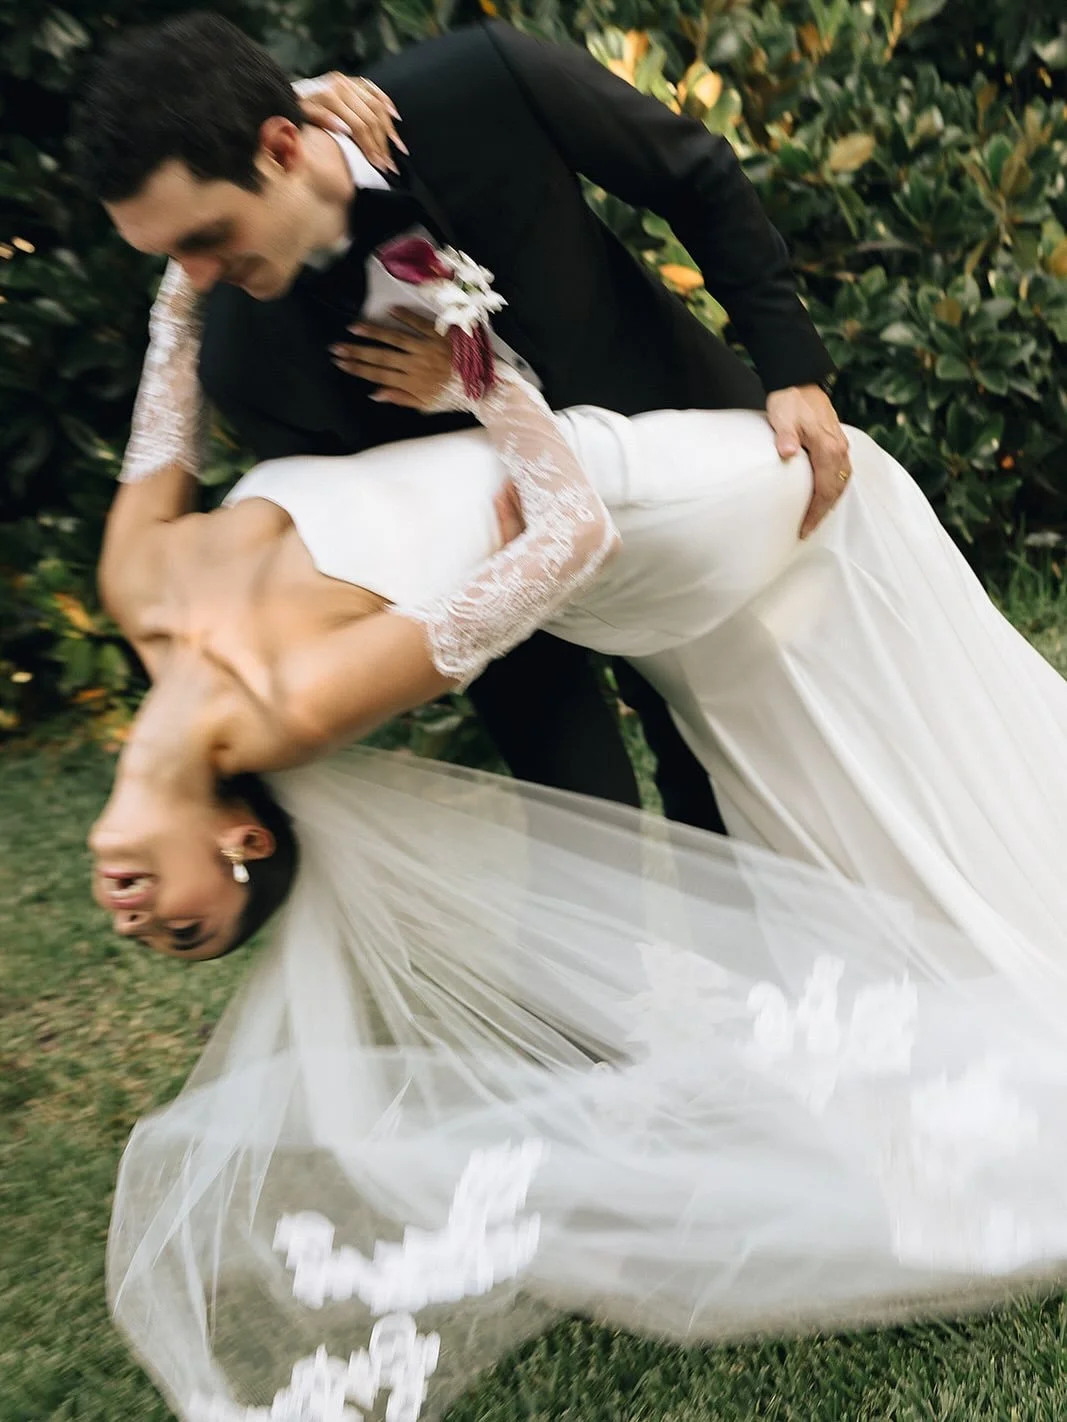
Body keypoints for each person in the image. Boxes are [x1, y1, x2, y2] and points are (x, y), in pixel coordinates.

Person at [90, 252, 1067, 1422]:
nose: (138, 919)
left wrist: (191, 274)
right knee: (882, 738)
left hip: (652, 501)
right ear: (243, 842)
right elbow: (570, 536)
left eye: (169, 928)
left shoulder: (131, 581)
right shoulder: (294, 702)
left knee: (899, 738)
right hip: (653, 509)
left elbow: (169, 390)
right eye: (185, 930)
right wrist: (467, 339)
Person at [74, 9, 855, 836]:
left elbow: (692, 173)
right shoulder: (246, 363)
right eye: (168, 257)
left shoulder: (483, 84)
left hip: (688, 470)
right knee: (580, 825)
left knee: (763, 765)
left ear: (280, 145)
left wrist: (792, 371)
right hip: (515, 575)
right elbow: (408, 551)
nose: (195, 277)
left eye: (206, 237)